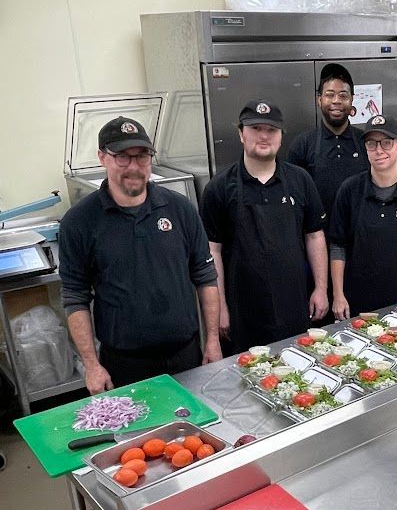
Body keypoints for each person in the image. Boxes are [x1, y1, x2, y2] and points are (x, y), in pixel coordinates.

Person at [60, 116, 221, 393]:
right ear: (102, 157)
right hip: (124, 365)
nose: (134, 167)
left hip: (186, 356)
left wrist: (213, 341)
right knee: (139, 436)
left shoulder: (180, 209)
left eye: (142, 156)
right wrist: (92, 365)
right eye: (122, 157)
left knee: (196, 433)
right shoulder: (79, 221)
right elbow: (75, 298)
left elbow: (205, 278)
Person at [200, 100, 329, 352]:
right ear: (241, 133)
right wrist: (221, 308)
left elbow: (315, 236)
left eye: (271, 129)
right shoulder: (218, 189)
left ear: (281, 136)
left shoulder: (300, 180)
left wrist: (321, 288)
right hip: (243, 312)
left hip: (294, 305)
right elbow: (212, 251)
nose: (264, 135)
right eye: (255, 128)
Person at [329, 115, 397, 319]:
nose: (379, 150)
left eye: (386, 143)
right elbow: (338, 247)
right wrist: (338, 295)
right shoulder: (349, 190)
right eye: (371, 144)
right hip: (358, 302)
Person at [287, 63, 369, 219]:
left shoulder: (366, 142)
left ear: (352, 100)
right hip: (317, 236)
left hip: (360, 236)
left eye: (343, 95)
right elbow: (293, 200)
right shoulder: (302, 145)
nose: (336, 101)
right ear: (319, 100)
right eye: (330, 94)